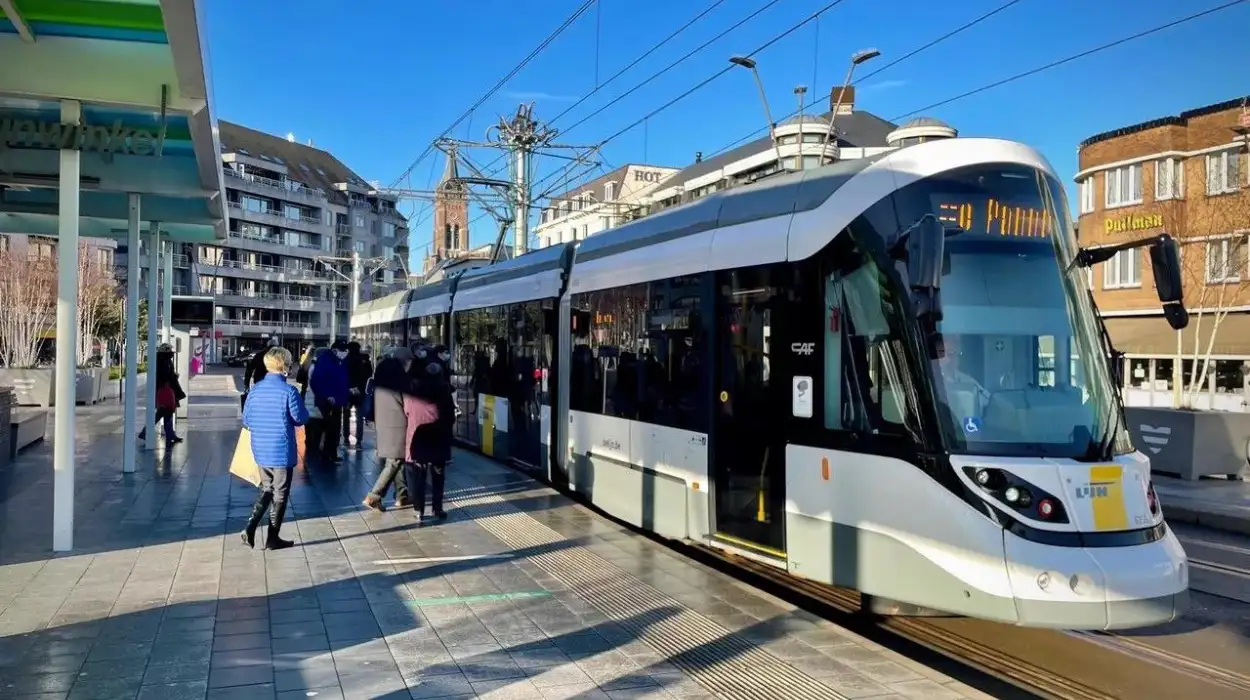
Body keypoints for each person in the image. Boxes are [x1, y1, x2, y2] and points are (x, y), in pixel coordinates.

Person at [240, 347, 309, 550]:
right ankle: (271, 537)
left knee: (267, 487)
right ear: (285, 366)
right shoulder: (289, 391)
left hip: (260, 448)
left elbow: (247, 420)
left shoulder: (255, 390)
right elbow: (300, 418)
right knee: (280, 492)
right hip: (281, 449)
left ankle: (251, 527)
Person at [363, 347, 423, 511]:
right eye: (410, 362)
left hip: (384, 422)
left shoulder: (383, 375)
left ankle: (401, 496)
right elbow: (408, 403)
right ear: (405, 361)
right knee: (394, 461)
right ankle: (374, 496)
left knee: (398, 458)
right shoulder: (400, 380)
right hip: (398, 424)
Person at [409, 346, 456, 524]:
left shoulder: (416, 389)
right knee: (438, 473)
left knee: (419, 473)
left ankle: (419, 509)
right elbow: (450, 415)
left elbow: (409, 411)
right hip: (440, 436)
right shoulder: (445, 390)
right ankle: (437, 507)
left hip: (421, 434)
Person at [309, 341, 350, 463]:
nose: (345, 353)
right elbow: (316, 381)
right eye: (343, 350)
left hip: (338, 401)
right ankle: (326, 454)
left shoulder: (341, 361)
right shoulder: (325, 361)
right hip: (327, 402)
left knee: (335, 429)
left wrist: (345, 398)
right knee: (330, 429)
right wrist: (327, 395)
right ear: (335, 350)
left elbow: (343, 381)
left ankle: (331, 453)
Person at [139, 344, 185, 443]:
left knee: (165, 414)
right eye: (170, 352)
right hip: (164, 392)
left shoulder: (164, 360)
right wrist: (174, 376)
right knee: (163, 413)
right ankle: (145, 433)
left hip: (166, 391)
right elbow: (164, 376)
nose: (172, 354)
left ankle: (170, 435)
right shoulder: (162, 361)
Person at [344, 341, 373, 450]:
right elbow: (369, 375)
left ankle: (346, 439)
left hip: (348, 391)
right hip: (360, 392)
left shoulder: (346, 360)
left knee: (346, 416)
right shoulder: (364, 360)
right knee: (359, 417)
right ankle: (359, 441)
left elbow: (343, 375)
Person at [242, 337, 280, 410]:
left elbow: (249, 369)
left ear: (267, 345)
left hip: (260, 381)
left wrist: (246, 384)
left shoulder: (259, 354)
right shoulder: (279, 356)